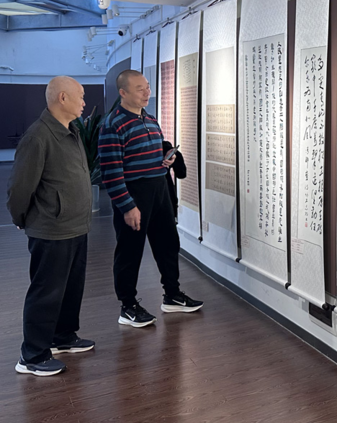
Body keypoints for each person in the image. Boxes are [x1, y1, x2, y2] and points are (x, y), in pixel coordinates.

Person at [99, 69, 202, 328]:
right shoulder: (113, 125)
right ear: (123, 93)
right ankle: (128, 306)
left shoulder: (150, 119)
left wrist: (167, 159)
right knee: (130, 251)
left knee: (168, 243)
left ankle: (172, 295)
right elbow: (111, 172)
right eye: (140, 89)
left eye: (147, 87)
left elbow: (149, 154)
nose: (147, 92)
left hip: (159, 189)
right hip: (134, 194)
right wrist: (127, 206)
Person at [7, 76, 95, 376]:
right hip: (51, 229)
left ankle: (63, 336)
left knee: (71, 288)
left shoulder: (72, 131)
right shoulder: (38, 136)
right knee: (46, 292)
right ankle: (32, 355)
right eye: (80, 96)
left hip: (76, 226)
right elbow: (20, 187)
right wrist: (21, 218)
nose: (84, 102)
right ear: (62, 98)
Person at [162, 140, 186, 219]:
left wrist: (171, 153)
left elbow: (181, 174)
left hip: (166, 198)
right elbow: (181, 173)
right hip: (166, 198)